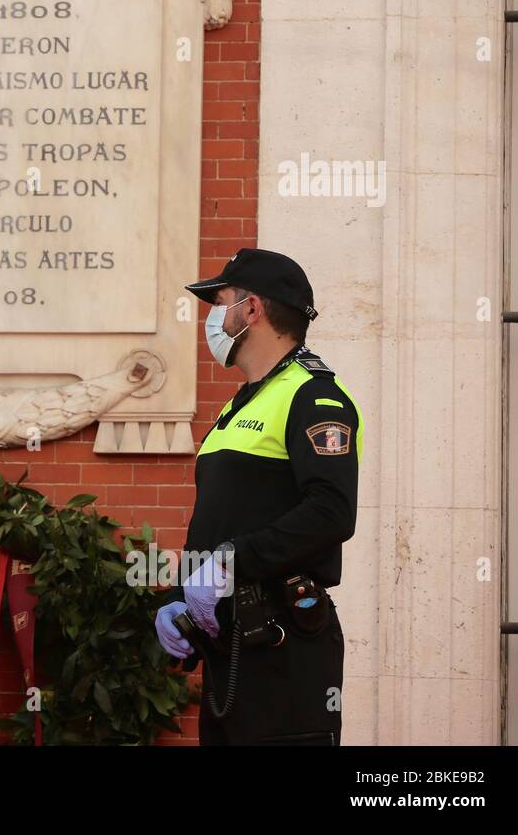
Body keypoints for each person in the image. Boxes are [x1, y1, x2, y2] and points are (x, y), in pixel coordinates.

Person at [154, 248, 362, 744]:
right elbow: (226, 520)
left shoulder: (314, 396)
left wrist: (228, 563)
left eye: (220, 301)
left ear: (252, 309)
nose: (213, 318)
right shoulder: (240, 403)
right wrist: (180, 599)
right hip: (229, 648)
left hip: (283, 646)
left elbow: (331, 513)